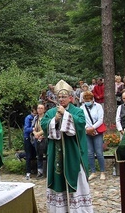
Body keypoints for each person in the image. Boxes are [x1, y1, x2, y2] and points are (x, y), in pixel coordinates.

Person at [41, 80, 92, 212]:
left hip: (73, 152)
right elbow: (44, 125)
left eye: (64, 97)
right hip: (56, 154)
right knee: (58, 177)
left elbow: (81, 124)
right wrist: (55, 120)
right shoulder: (51, 112)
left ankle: (78, 209)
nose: (62, 99)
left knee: (77, 178)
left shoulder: (77, 111)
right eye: (59, 97)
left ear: (70, 97)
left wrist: (66, 115)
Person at [80, 91, 105, 181]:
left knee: (99, 152)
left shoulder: (98, 106)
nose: (87, 101)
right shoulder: (81, 108)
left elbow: (100, 119)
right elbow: (81, 120)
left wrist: (93, 128)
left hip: (97, 131)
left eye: (89, 100)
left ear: (92, 99)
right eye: (85, 100)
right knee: (89, 153)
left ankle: (102, 171)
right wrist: (87, 129)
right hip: (87, 132)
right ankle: (93, 172)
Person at [32, 103, 47, 179]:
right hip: (37, 139)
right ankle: (40, 172)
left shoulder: (46, 118)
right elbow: (33, 128)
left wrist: (40, 134)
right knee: (39, 156)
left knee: (47, 155)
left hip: (45, 138)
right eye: (38, 108)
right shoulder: (35, 118)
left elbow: (47, 128)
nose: (40, 109)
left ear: (44, 110)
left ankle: (47, 172)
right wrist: (35, 134)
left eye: (41, 108)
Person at [23, 106, 37, 180]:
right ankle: (28, 172)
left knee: (34, 154)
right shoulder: (28, 118)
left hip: (34, 138)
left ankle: (34, 170)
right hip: (28, 138)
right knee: (28, 155)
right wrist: (34, 129)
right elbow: (26, 129)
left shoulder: (38, 118)